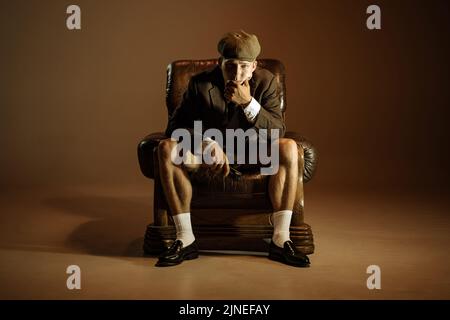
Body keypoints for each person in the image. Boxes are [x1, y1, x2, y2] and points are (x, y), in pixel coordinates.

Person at [156, 30, 310, 268]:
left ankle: (280, 240)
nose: (236, 74)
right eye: (230, 66)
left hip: (254, 153)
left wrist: (248, 103)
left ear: (253, 66)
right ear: (220, 63)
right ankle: (185, 239)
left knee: (289, 147)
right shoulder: (199, 84)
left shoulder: (267, 81)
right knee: (167, 149)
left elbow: (277, 131)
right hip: (209, 156)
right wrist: (206, 142)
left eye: (243, 66)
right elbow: (175, 127)